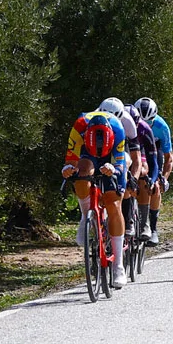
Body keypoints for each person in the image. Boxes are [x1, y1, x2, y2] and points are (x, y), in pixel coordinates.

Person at [62, 110, 130, 288]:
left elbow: (120, 165)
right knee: (82, 174)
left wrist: (113, 169)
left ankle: (118, 266)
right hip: (87, 154)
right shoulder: (80, 126)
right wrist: (68, 169)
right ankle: (86, 217)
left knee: (114, 203)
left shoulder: (118, 129)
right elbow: (71, 160)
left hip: (111, 157)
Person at [135, 97, 173, 244]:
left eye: (149, 121)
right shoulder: (130, 121)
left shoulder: (161, 126)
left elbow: (169, 157)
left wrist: (164, 177)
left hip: (154, 151)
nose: (146, 124)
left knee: (155, 185)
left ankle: (154, 228)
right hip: (137, 148)